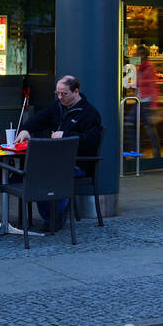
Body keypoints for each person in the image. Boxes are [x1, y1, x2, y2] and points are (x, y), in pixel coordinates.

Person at [15, 75, 105, 224]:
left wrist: (66, 135)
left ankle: (54, 218)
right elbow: (40, 118)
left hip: (79, 162)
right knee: (34, 172)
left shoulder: (89, 113)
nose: (60, 97)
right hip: (56, 159)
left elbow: (92, 141)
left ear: (76, 92)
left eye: (64, 94)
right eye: (58, 93)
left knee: (45, 174)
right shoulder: (57, 106)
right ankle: (50, 217)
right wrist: (25, 129)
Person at [134, 46, 161, 157]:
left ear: (143, 55)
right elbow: (137, 83)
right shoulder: (140, 67)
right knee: (137, 124)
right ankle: (140, 149)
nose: (136, 56)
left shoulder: (149, 68)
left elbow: (153, 87)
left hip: (146, 101)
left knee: (149, 127)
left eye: (138, 54)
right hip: (139, 100)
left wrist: (154, 105)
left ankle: (155, 153)